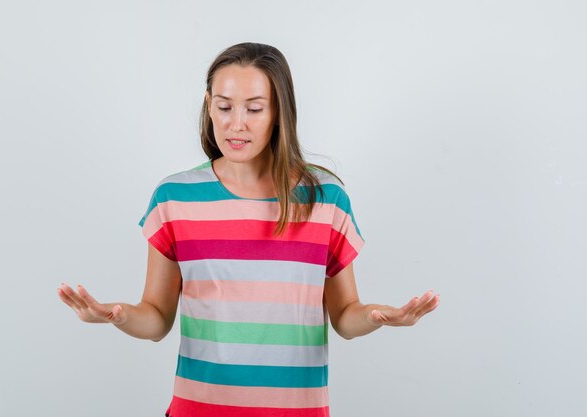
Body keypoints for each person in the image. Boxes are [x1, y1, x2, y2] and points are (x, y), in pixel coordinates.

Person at [57, 42, 440, 417]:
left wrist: (379, 316)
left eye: (254, 109)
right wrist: (119, 317)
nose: (235, 124)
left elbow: (345, 316)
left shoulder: (325, 199)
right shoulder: (174, 198)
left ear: (278, 113)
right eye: (224, 107)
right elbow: (157, 317)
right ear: (209, 106)